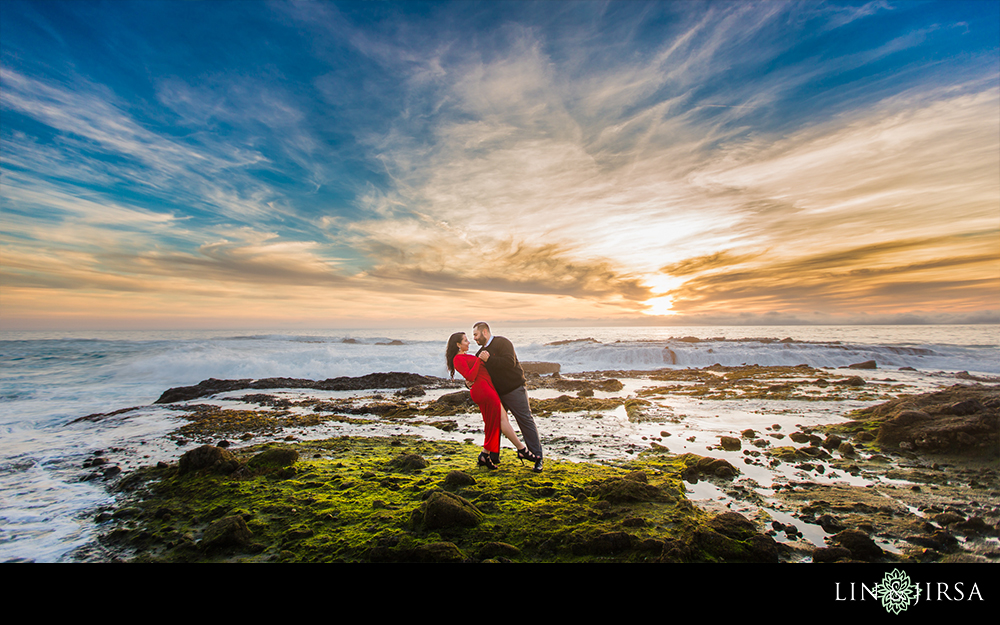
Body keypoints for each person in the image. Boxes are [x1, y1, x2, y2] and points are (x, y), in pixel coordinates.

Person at [446, 331, 532, 470]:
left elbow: (475, 373)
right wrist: (480, 360)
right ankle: (521, 449)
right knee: (501, 419)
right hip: (484, 391)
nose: (469, 342)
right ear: (458, 344)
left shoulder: (466, 356)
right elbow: (471, 375)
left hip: (487, 389)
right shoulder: (458, 359)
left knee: (492, 423)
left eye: (469, 339)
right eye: (466, 340)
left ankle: (484, 455)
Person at [472, 322, 544, 472]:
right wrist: (469, 382)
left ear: (485, 332)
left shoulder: (502, 342)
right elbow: (478, 375)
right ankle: (492, 456)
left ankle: (537, 457)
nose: (474, 339)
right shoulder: (480, 353)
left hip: (514, 388)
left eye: (476, 335)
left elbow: (509, 362)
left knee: (525, 420)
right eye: (473, 336)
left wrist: (489, 360)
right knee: (494, 423)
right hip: (496, 394)